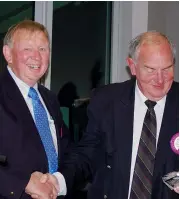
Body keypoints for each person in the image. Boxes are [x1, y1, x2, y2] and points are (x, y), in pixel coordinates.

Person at [39, 31, 178, 199]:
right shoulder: (106, 100)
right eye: (150, 69)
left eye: (167, 69)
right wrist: (58, 182)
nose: (160, 79)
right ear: (132, 66)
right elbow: (87, 154)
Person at [0, 20, 71, 199]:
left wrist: (60, 180)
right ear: (8, 54)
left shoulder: (50, 100)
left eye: (43, 49)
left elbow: (67, 150)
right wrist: (22, 182)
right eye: (27, 49)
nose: (36, 57)